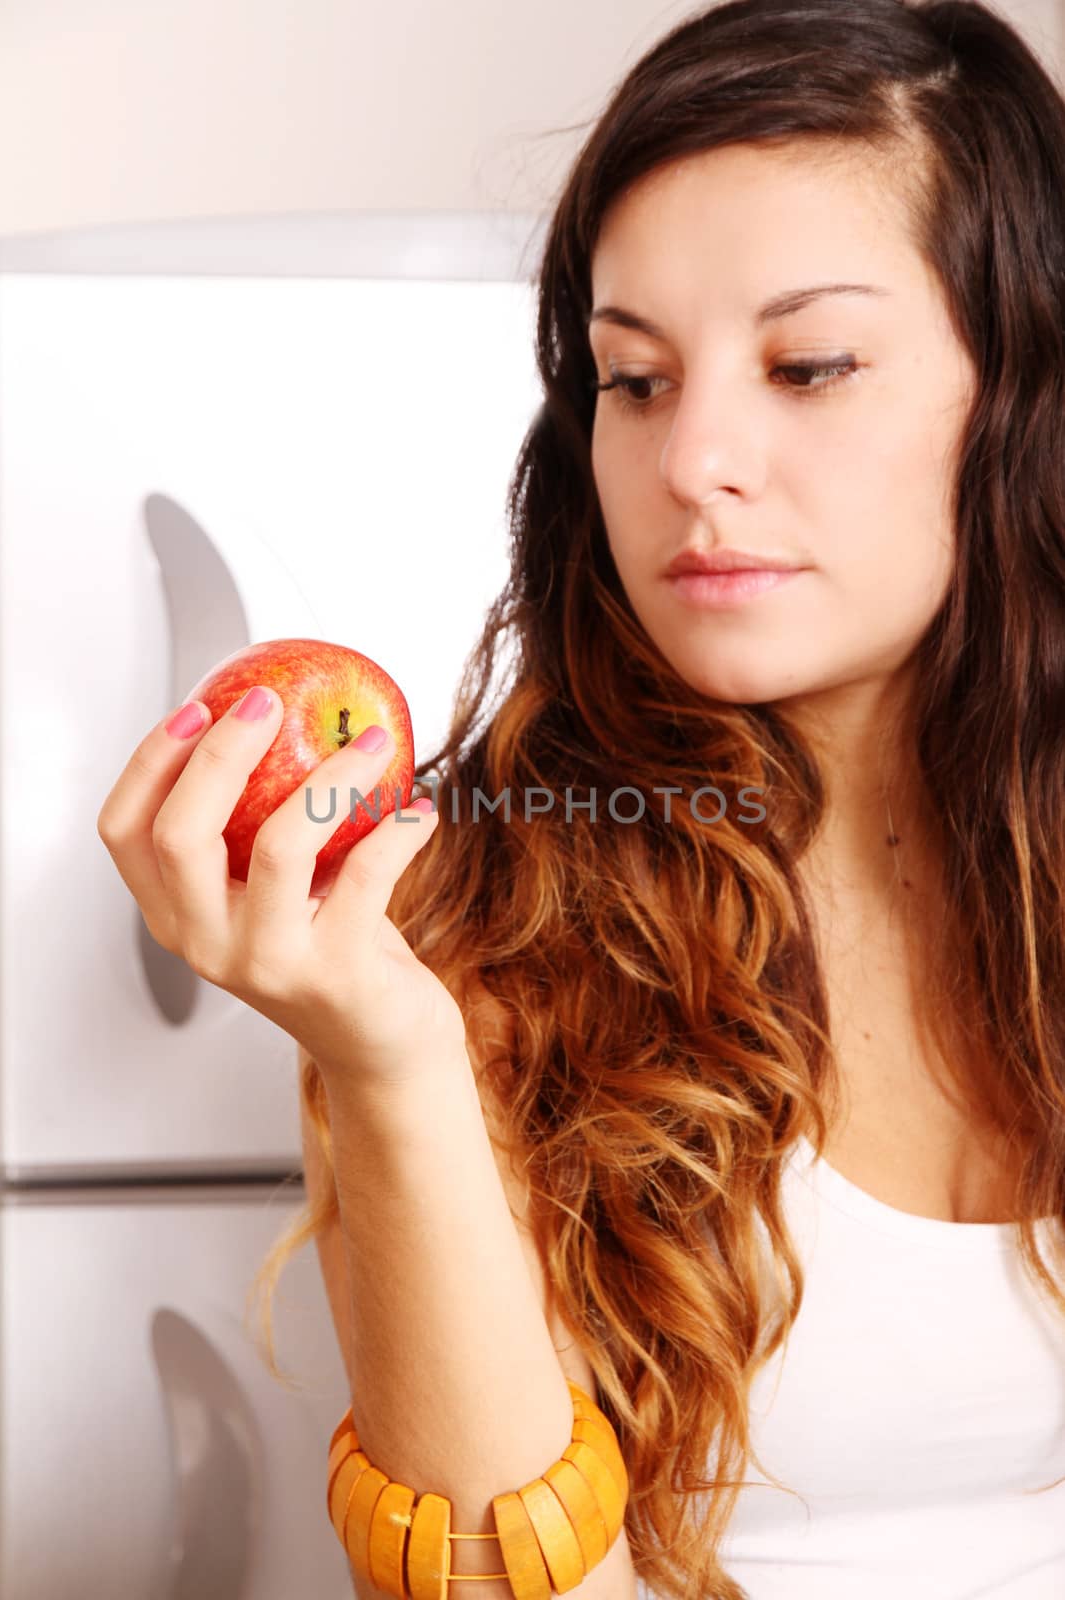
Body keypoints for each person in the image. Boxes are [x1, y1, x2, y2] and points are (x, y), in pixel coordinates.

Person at [97, 1, 1065, 1596]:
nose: (695, 459)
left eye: (808, 365)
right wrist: (387, 1060)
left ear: (1022, 385)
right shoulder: (484, 918)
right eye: (635, 378)